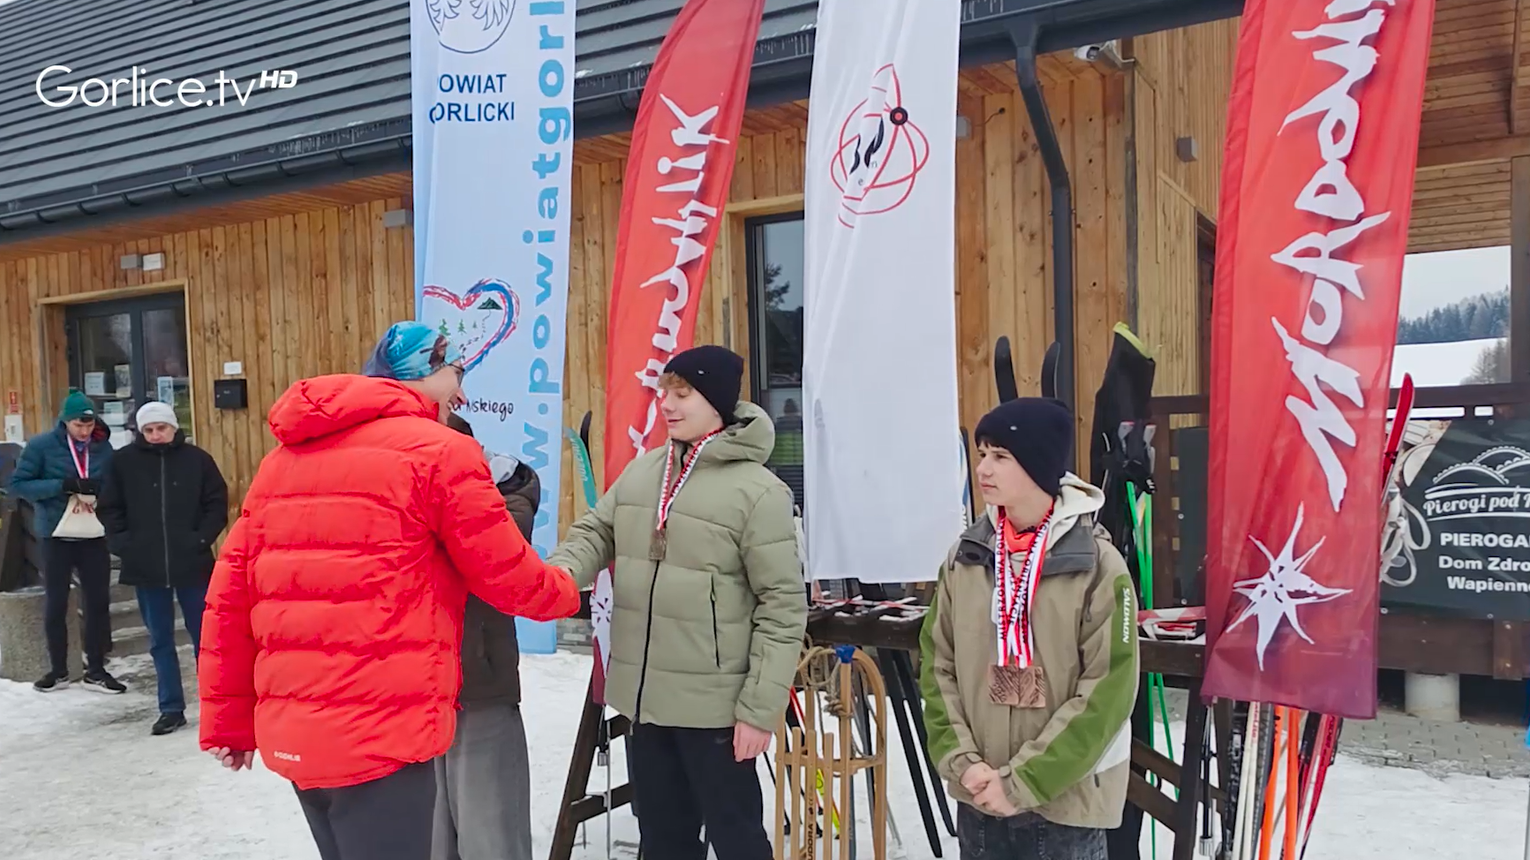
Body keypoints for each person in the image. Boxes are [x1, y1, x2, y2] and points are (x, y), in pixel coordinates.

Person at [196, 321, 580, 860]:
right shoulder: (439, 453)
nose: (462, 391)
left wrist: (229, 724)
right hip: (382, 732)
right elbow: (506, 574)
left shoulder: (281, 463)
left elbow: (230, 601)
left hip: (301, 735)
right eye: (455, 373)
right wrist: (569, 591)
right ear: (423, 375)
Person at [547, 344, 806, 860]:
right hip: (647, 706)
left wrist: (758, 711)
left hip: (717, 714)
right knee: (662, 842)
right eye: (664, 391)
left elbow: (783, 608)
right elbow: (596, 532)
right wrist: (554, 576)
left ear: (716, 402)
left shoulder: (759, 493)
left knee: (737, 840)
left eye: (682, 393)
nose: (666, 403)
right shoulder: (646, 472)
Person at [919, 397, 1139, 860]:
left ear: (1039, 467)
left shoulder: (1098, 566)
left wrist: (1022, 781)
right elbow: (937, 665)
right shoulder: (966, 557)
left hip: (1064, 810)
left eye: (1000, 456)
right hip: (979, 797)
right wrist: (964, 764)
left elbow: (1108, 693)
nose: (984, 468)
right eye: (982, 454)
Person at [433, 412, 538, 860]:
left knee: (490, 835)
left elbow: (493, 554)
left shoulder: (503, 495)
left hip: (477, 687)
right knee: (428, 838)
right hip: (405, 696)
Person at [97, 401, 229, 735]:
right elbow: (110, 508)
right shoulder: (122, 463)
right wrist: (124, 545)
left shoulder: (197, 460)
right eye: (149, 430)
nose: (156, 435)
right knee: (159, 640)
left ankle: (215, 706)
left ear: (173, 428)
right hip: (146, 565)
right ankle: (171, 707)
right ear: (140, 432)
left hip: (192, 562)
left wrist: (200, 539)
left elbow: (216, 502)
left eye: (162, 428)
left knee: (206, 639)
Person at [7, 389, 124, 694]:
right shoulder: (42, 446)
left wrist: (100, 490)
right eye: (77, 425)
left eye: (88, 424)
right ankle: (58, 669)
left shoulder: (102, 447)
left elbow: (115, 484)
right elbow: (18, 485)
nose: (84, 431)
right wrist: (62, 486)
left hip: (93, 532)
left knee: (98, 601)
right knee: (57, 601)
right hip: (56, 533)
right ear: (65, 423)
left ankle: (96, 668)